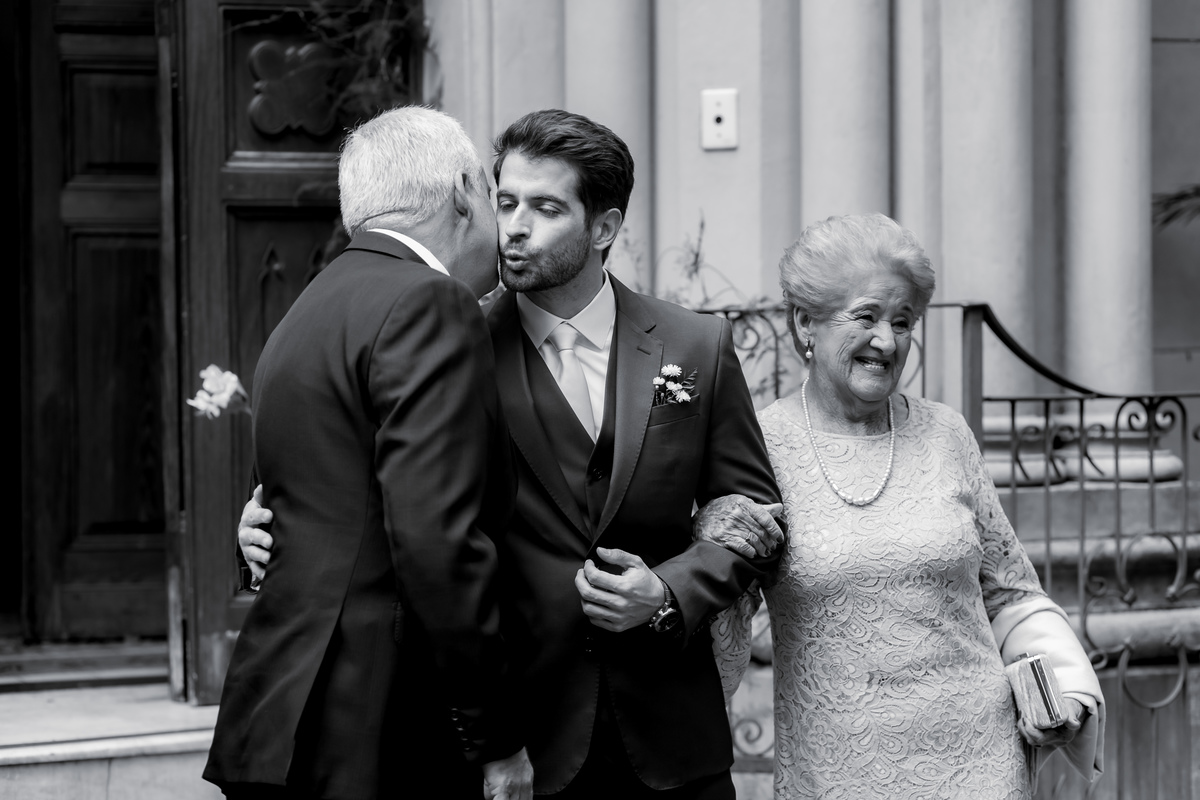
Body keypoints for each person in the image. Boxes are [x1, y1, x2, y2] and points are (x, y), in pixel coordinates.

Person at [240, 109, 786, 800]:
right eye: (504, 202)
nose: (514, 226)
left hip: (672, 738)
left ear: (604, 228)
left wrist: (670, 590)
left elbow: (752, 512)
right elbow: (378, 500)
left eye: (546, 207)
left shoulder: (695, 344)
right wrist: (260, 530)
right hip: (522, 741)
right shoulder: (448, 336)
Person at [703, 213, 1105, 799]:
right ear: (804, 324)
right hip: (838, 770)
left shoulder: (947, 434)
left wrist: (1066, 690)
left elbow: (1011, 592)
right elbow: (725, 625)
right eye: (865, 316)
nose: (887, 342)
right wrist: (705, 538)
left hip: (981, 762)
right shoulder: (760, 449)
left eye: (903, 321)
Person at [203, 107, 533, 800]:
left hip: (276, 721)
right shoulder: (429, 304)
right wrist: (495, 738)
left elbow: (302, 504)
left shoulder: (305, 310)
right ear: (466, 190)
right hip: (378, 731)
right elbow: (436, 541)